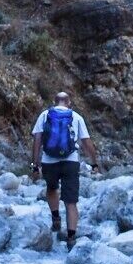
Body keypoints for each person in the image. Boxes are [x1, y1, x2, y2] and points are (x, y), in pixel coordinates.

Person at [31, 90, 93, 248]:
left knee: (51, 188)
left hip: (49, 160)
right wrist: (94, 162)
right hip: (70, 162)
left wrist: (35, 164)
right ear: (69, 102)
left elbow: (37, 139)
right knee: (71, 201)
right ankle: (71, 238)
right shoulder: (76, 117)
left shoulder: (45, 115)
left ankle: (56, 218)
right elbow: (86, 141)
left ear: (54, 101)